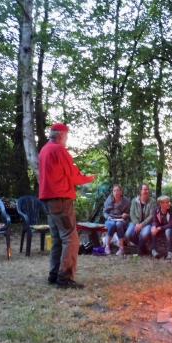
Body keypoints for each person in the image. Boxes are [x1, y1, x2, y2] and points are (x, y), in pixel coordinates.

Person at [39, 123, 95, 289]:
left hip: (48, 200)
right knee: (71, 239)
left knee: (58, 239)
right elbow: (72, 175)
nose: (67, 139)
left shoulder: (44, 150)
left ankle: (54, 274)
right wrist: (89, 179)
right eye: (67, 136)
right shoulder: (58, 150)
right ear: (62, 135)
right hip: (61, 200)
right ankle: (65, 278)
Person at [125, 183, 156, 255]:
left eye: (147, 189)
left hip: (147, 223)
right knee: (128, 234)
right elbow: (132, 214)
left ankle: (140, 251)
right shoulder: (134, 201)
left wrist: (141, 225)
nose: (146, 191)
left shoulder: (152, 201)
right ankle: (143, 248)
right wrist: (137, 224)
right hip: (135, 223)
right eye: (144, 189)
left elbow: (151, 215)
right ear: (140, 191)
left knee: (144, 234)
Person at [103, 184, 130, 255]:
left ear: (121, 192)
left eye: (118, 190)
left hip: (121, 220)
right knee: (112, 225)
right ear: (112, 192)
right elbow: (105, 212)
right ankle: (107, 246)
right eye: (114, 191)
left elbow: (130, 214)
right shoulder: (109, 199)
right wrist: (108, 217)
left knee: (118, 224)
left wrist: (126, 215)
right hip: (110, 219)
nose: (116, 192)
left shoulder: (126, 201)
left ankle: (121, 248)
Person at [150, 195, 172, 260]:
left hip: (171, 229)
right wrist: (154, 227)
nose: (169, 203)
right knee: (153, 230)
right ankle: (154, 251)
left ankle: (170, 252)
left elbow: (171, 224)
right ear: (161, 204)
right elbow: (154, 221)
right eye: (167, 202)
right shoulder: (156, 210)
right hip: (161, 229)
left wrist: (159, 228)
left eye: (169, 202)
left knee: (168, 231)